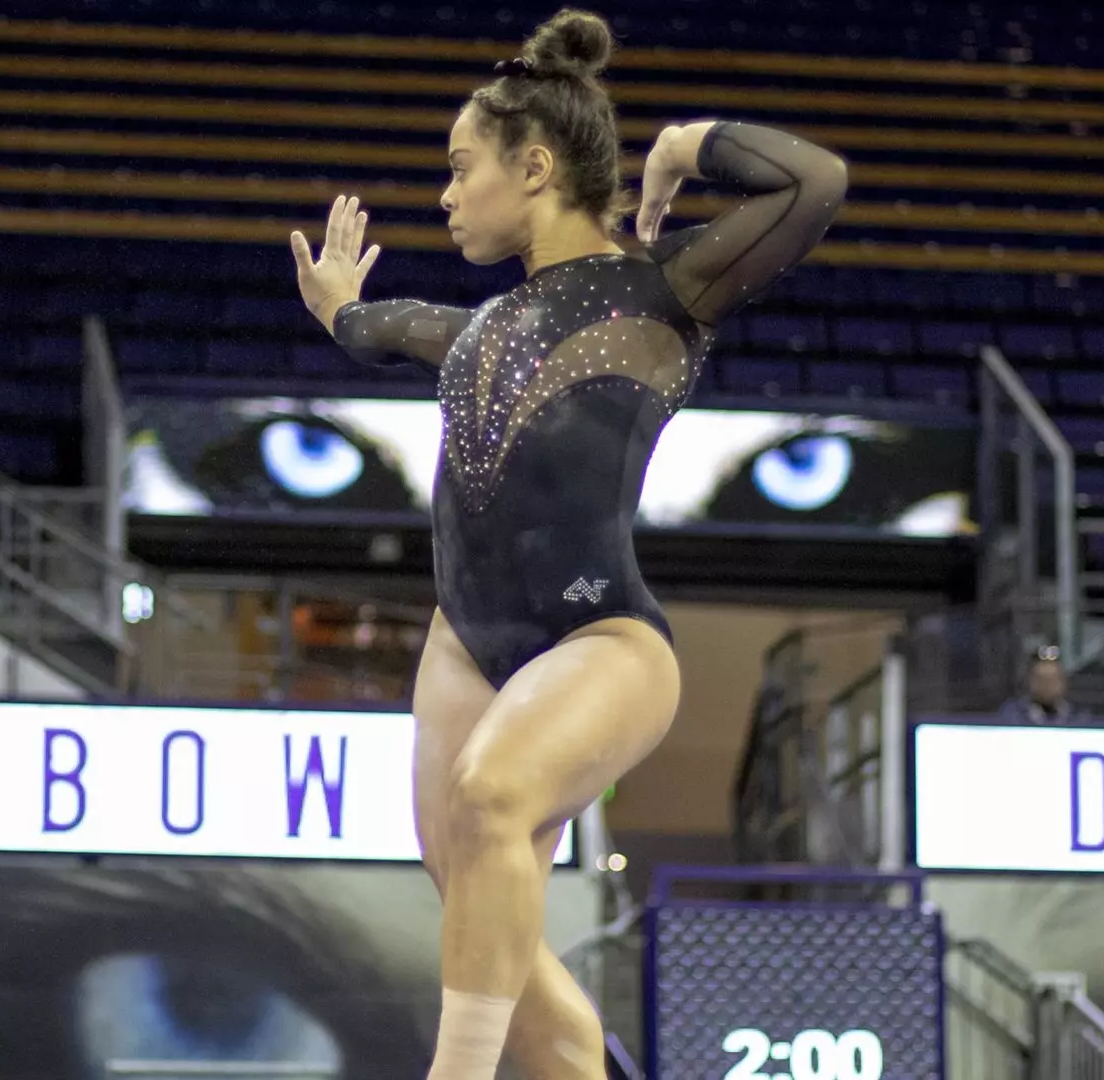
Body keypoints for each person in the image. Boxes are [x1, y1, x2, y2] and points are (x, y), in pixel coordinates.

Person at [286, 9, 847, 1079]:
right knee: (476, 887)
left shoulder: (664, 287)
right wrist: (342, 312)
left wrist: (684, 146)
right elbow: (392, 329)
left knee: (492, 800)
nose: (445, 196)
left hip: (603, 640)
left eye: (460, 170)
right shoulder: (483, 325)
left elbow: (811, 184)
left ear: (534, 166)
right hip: (465, 641)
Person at [997, 645, 1078, 725]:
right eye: (1041, 680)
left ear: (1064, 682)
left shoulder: (1079, 718)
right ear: (1029, 681)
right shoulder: (1011, 716)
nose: (1047, 686)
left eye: (1052, 680)